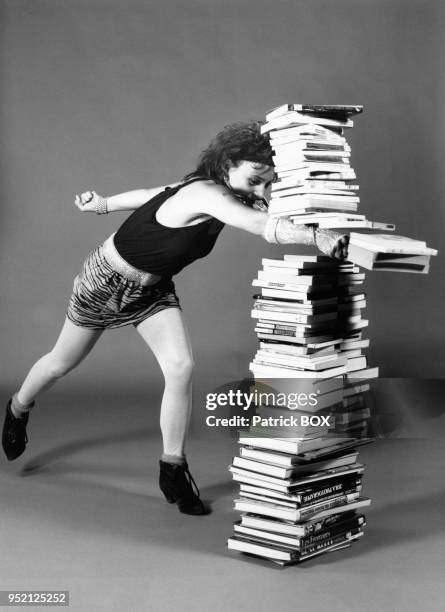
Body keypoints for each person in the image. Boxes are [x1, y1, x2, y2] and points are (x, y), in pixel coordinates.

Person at [2, 121, 348, 515]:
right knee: (60, 363)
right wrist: (315, 236)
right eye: (255, 181)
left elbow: (153, 194)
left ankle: (173, 468)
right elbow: (256, 223)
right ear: (229, 163)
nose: (261, 192)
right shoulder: (208, 193)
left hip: (152, 289)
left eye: (268, 184)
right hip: (105, 281)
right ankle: (18, 407)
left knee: (181, 367)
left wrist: (104, 203)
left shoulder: (212, 186)